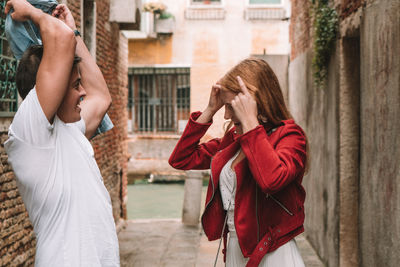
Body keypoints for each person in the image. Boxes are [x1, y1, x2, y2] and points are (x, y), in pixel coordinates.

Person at [4, 0, 119, 266]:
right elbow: (60, 39)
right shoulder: (30, 133)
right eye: (76, 85)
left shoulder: (70, 131)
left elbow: (101, 98)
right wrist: (33, 13)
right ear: (48, 89)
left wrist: (74, 33)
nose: (83, 92)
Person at [169, 58, 307, 267]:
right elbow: (181, 158)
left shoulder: (290, 136)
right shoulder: (234, 139)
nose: (225, 114)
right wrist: (209, 110)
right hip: (235, 250)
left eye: (230, 106)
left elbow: (271, 180)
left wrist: (251, 123)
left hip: (273, 255)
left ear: (255, 101)